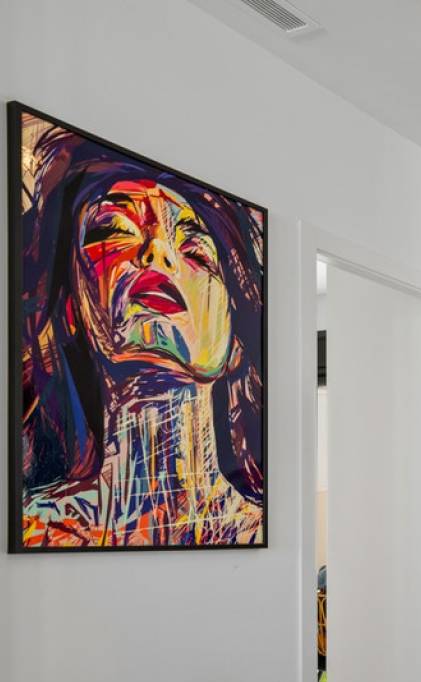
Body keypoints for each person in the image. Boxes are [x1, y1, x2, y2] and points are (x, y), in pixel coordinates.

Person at [17, 112, 265, 547]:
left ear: (237, 344)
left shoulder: (257, 529)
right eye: (113, 230)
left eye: (195, 250)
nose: (156, 252)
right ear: (73, 310)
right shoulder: (38, 532)